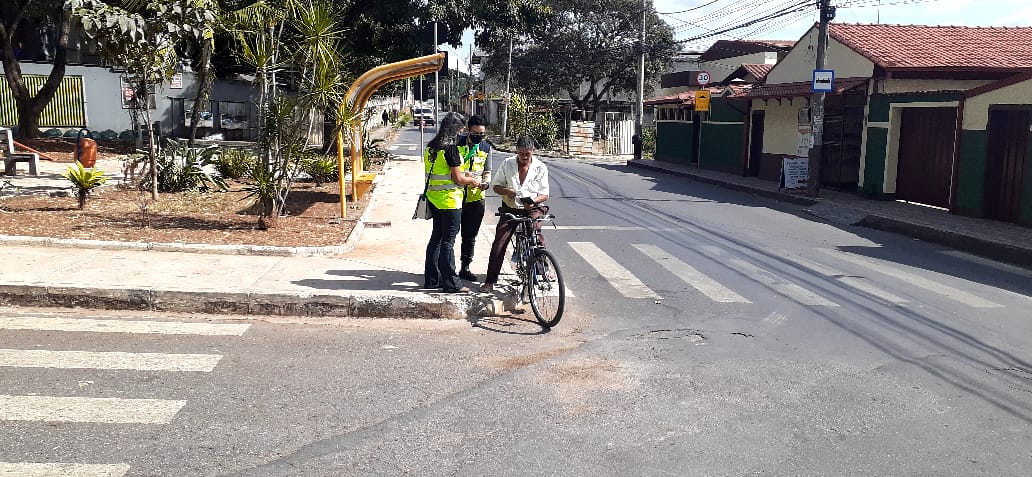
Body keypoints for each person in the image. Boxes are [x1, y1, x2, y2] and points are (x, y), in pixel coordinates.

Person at [480, 136, 549, 292]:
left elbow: (545, 194)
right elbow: (496, 187)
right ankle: (490, 280)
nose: (524, 157)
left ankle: (544, 269)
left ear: (533, 151)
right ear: (516, 152)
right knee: (500, 242)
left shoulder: (540, 167)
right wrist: (507, 191)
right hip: (510, 208)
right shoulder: (507, 164)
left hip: (532, 207)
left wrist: (533, 201)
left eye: (527, 154)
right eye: (520, 154)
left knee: (535, 234)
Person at [423, 112, 482, 293]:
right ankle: (452, 283)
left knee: (436, 240)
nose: (462, 132)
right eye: (461, 129)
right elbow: (457, 179)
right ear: (455, 129)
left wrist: (465, 175)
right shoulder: (451, 149)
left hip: (434, 199)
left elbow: (443, 174)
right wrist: (472, 181)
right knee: (448, 243)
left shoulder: (431, 148)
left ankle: (432, 279)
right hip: (450, 202)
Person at [456, 115, 491, 281]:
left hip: (476, 199)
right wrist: (465, 176)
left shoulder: (485, 147)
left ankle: (465, 267)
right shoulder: (456, 144)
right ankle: (445, 268)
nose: (479, 136)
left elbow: (487, 172)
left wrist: (486, 182)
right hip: (456, 197)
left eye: (482, 133)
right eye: (476, 133)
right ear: (468, 130)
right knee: (448, 235)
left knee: (469, 236)